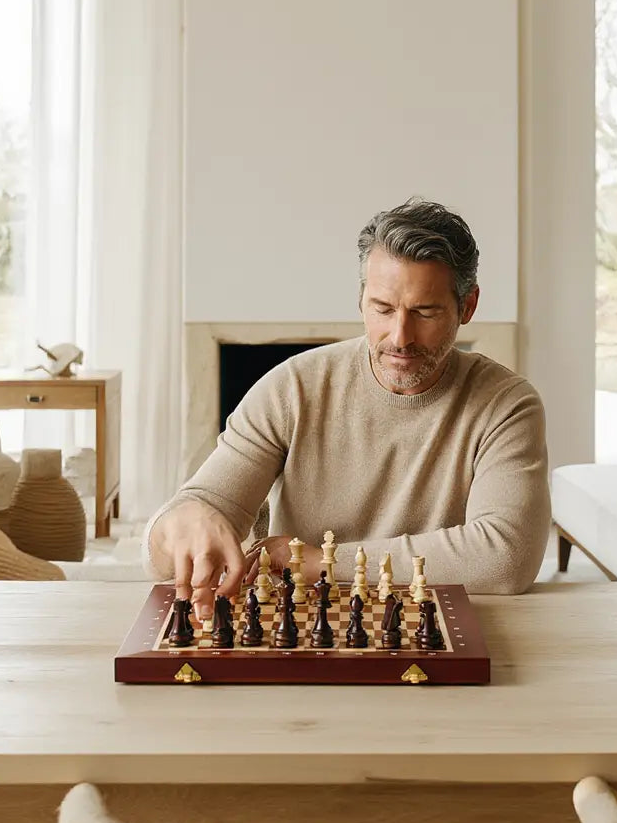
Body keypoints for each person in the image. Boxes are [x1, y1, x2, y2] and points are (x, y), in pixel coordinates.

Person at [144, 196, 551, 620]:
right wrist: (182, 525)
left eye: (425, 312)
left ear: (467, 307)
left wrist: (317, 560)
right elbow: (175, 536)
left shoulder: (507, 405)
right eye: (383, 309)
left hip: (439, 630)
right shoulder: (292, 387)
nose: (400, 337)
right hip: (303, 627)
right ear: (361, 300)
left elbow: (506, 558)